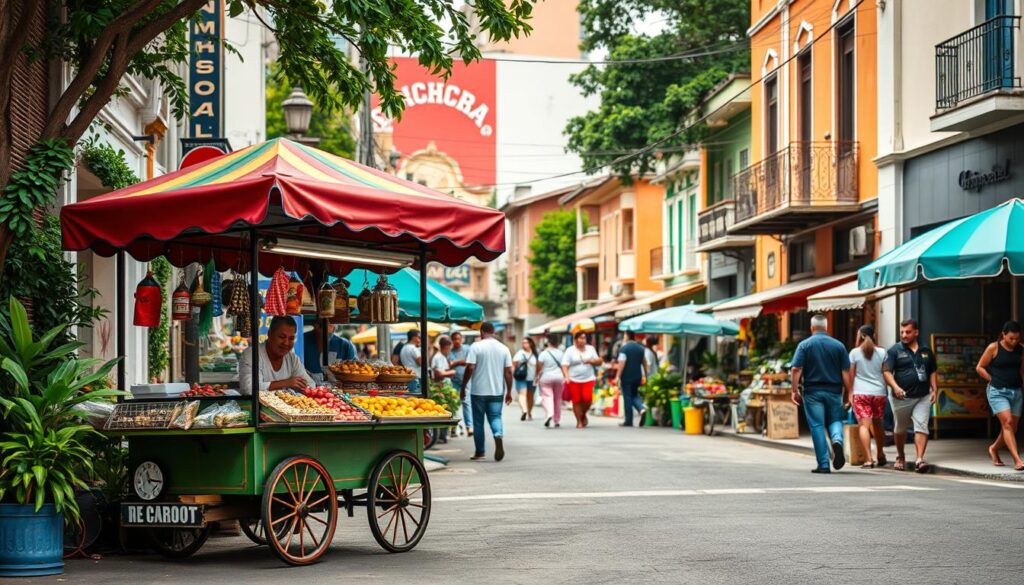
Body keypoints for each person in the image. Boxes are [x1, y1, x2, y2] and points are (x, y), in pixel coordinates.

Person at [790, 314, 852, 473]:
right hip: (834, 392)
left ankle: (823, 464)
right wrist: (849, 393)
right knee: (835, 420)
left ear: (811, 328)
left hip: (813, 392)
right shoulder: (839, 346)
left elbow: (796, 369)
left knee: (817, 426)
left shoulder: (804, 345)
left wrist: (794, 390)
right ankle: (837, 440)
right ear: (827, 327)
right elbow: (846, 371)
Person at [882, 318, 938, 473]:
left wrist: (935, 389)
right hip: (902, 397)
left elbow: (932, 370)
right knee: (900, 428)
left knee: (921, 425)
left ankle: (919, 459)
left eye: (908, 332)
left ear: (916, 332)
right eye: (902, 332)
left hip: (923, 396)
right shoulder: (894, 350)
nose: (904, 335)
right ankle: (900, 456)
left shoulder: (926, 350)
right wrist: (895, 387)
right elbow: (886, 372)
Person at [460, 322, 513, 461]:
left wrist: (463, 386)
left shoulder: (476, 346)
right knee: (495, 417)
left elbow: (470, 367)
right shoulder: (504, 348)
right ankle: (498, 434)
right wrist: (509, 391)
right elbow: (508, 371)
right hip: (497, 391)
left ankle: (480, 452)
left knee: (478, 422)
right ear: (494, 332)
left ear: (481, 332)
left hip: (478, 391)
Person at [975, 320, 1024, 471]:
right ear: (1003, 335)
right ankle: (1017, 460)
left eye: (1017, 338)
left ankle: (994, 448)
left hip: (1016, 391)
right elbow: (979, 367)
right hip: (997, 391)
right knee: (1008, 423)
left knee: (1012, 427)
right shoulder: (994, 347)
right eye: (1011, 338)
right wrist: (991, 379)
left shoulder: (1021, 349)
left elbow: (1022, 371)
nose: (1014, 341)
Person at [238, 316, 315, 394]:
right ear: (269, 334)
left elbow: (311, 385)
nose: (286, 343)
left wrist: (303, 387)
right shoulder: (252, 355)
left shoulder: (292, 359)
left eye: (291, 338)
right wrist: (286, 383)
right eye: (282, 337)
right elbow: (249, 389)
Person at [849, 325, 888, 469]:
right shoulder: (883, 352)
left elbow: (851, 375)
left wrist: (850, 393)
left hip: (861, 393)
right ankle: (880, 454)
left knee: (864, 426)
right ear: (874, 335)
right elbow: (886, 372)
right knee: (878, 424)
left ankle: (868, 459)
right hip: (879, 393)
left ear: (860, 336)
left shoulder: (854, 353)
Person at [561, 330, 602, 429]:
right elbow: (564, 364)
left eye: (584, 338)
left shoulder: (591, 349)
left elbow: (599, 361)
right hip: (574, 379)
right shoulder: (570, 350)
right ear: (575, 340)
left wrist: (591, 361)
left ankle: (583, 414)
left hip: (588, 378)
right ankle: (579, 420)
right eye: (580, 338)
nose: (583, 340)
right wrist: (566, 376)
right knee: (576, 400)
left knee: (588, 399)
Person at [616, 330, 648, 427]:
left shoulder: (624, 349)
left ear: (626, 336)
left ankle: (628, 420)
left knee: (627, 397)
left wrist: (617, 376)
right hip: (637, 376)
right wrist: (646, 375)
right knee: (634, 395)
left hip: (627, 377)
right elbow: (645, 363)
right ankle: (641, 408)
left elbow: (622, 363)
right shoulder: (641, 349)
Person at [535, 333, 565, 428]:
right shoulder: (561, 353)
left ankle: (549, 413)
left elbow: (539, 367)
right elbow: (564, 366)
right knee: (557, 399)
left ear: (548, 342)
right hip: (559, 377)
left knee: (547, 396)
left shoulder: (543, 354)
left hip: (546, 377)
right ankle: (556, 420)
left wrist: (536, 376)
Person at [449, 331, 473, 435]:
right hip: (454, 381)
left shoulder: (467, 348)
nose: (457, 341)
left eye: (458, 339)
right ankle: (454, 427)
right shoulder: (450, 351)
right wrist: (459, 362)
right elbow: (449, 365)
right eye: (455, 339)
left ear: (462, 339)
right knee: (454, 404)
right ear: (452, 340)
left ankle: (469, 426)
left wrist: (455, 363)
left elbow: (470, 362)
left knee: (466, 403)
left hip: (466, 380)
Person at [512, 337, 539, 421]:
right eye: (523, 343)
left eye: (526, 342)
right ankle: (524, 410)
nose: (524, 344)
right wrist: (513, 373)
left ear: (531, 343)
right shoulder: (519, 353)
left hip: (532, 378)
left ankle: (529, 412)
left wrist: (537, 376)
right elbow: (513, 364)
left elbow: (539, 366)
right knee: (522, 394)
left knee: (530, 397)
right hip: (521, 377)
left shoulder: (535, 354)